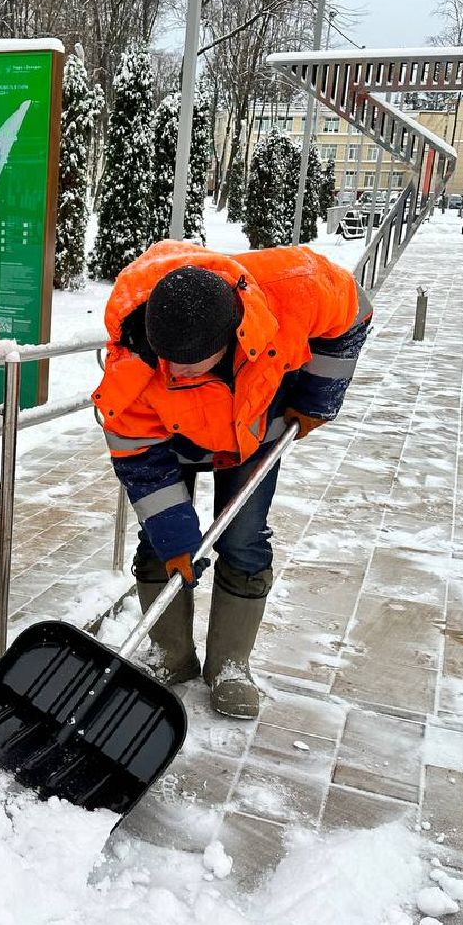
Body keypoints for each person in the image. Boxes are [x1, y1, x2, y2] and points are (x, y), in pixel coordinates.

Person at [93, 240, 372, 719]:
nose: (172, 371)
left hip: (254, 424)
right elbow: (139, 458)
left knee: (244, 538)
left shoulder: (295, 287)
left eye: (187, 363)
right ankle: (170, 657)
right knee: (164, 543)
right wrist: (176, 537)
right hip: (171, 435)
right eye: (166, 359)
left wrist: (317, 396)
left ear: (228, 339)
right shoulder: (134, 368)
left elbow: (355, 313)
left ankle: (230, 665)